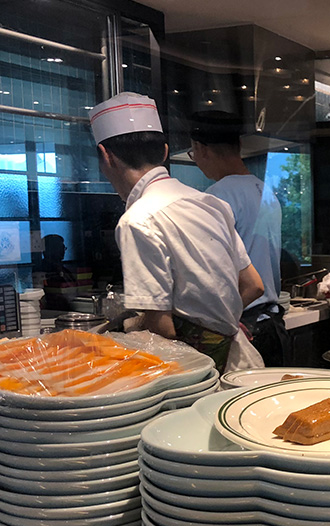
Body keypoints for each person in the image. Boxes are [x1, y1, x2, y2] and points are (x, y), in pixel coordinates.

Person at [89, 92, 264, 372]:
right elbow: (253, 285)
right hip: (242, 364)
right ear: (165, 151)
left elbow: (162, 329)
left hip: (200, 378)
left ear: (106, 156)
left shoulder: (138, 220)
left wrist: (130, 330)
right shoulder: (211, 203)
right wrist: (220, 324)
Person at [188, 110, 288, 366]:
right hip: (272, 324)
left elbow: (212, 271)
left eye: (192, 153)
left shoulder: (217, 197)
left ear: (201, 148)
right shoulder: (265, 191)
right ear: (239, 145)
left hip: (244, 327)